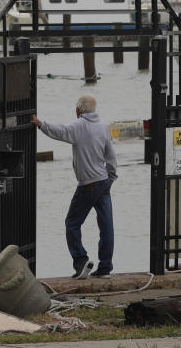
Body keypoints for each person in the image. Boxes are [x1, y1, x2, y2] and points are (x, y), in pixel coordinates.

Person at [30, 95, 117, 279]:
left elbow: (60, 131)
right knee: (106, 226)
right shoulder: (103, 126)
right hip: (104, 182)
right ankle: (105, 267)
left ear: (79, 109)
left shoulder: (79, 126)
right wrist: (111, 176)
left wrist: (39, 123)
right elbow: (110, 155)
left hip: (88, 184)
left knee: (72, 224)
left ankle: (81, 261)